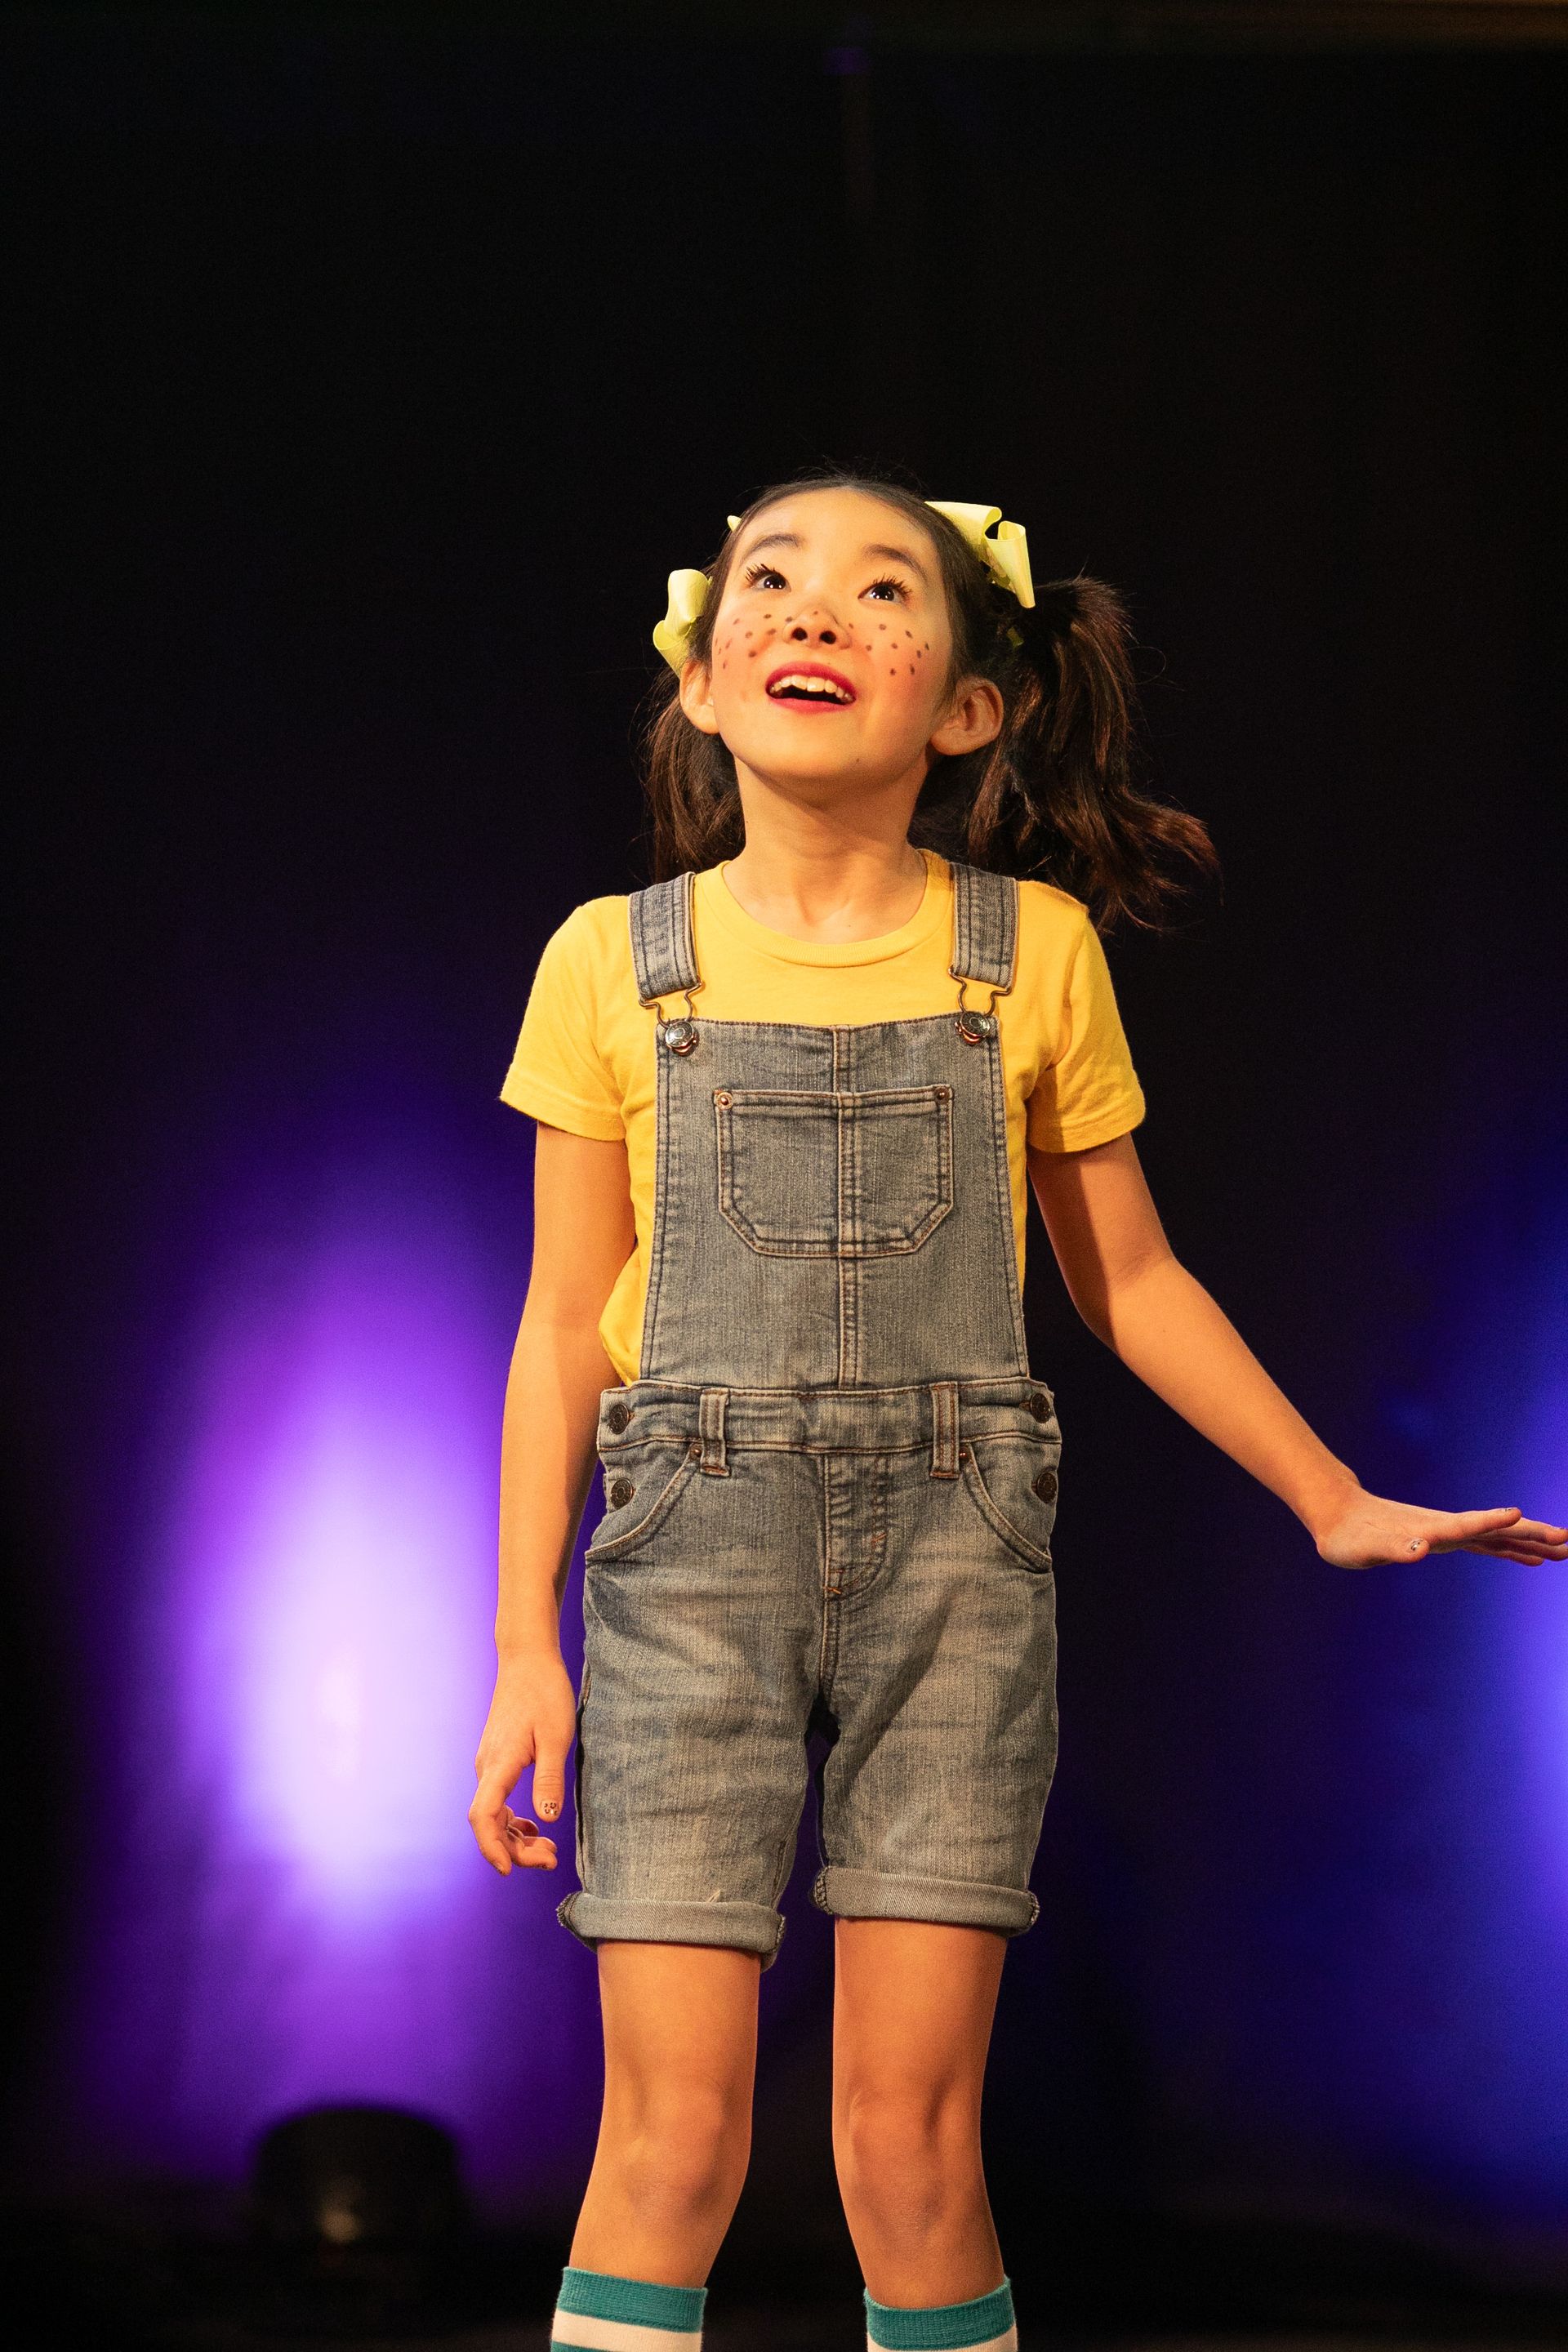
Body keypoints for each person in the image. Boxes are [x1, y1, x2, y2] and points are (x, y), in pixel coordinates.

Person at [470, 474, 1566, 2352]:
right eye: (774, 583)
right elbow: (566, 1317)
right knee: (670, 2139)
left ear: (967, 703)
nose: (816, 612)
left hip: (955, 1578)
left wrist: (1333, 1497)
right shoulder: (610, 958)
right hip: (685, 1568)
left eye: (881, 589)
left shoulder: (1030, 951)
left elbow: (1130, 1283)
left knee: (909, 2148)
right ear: (705, 678)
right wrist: (521, 1642)